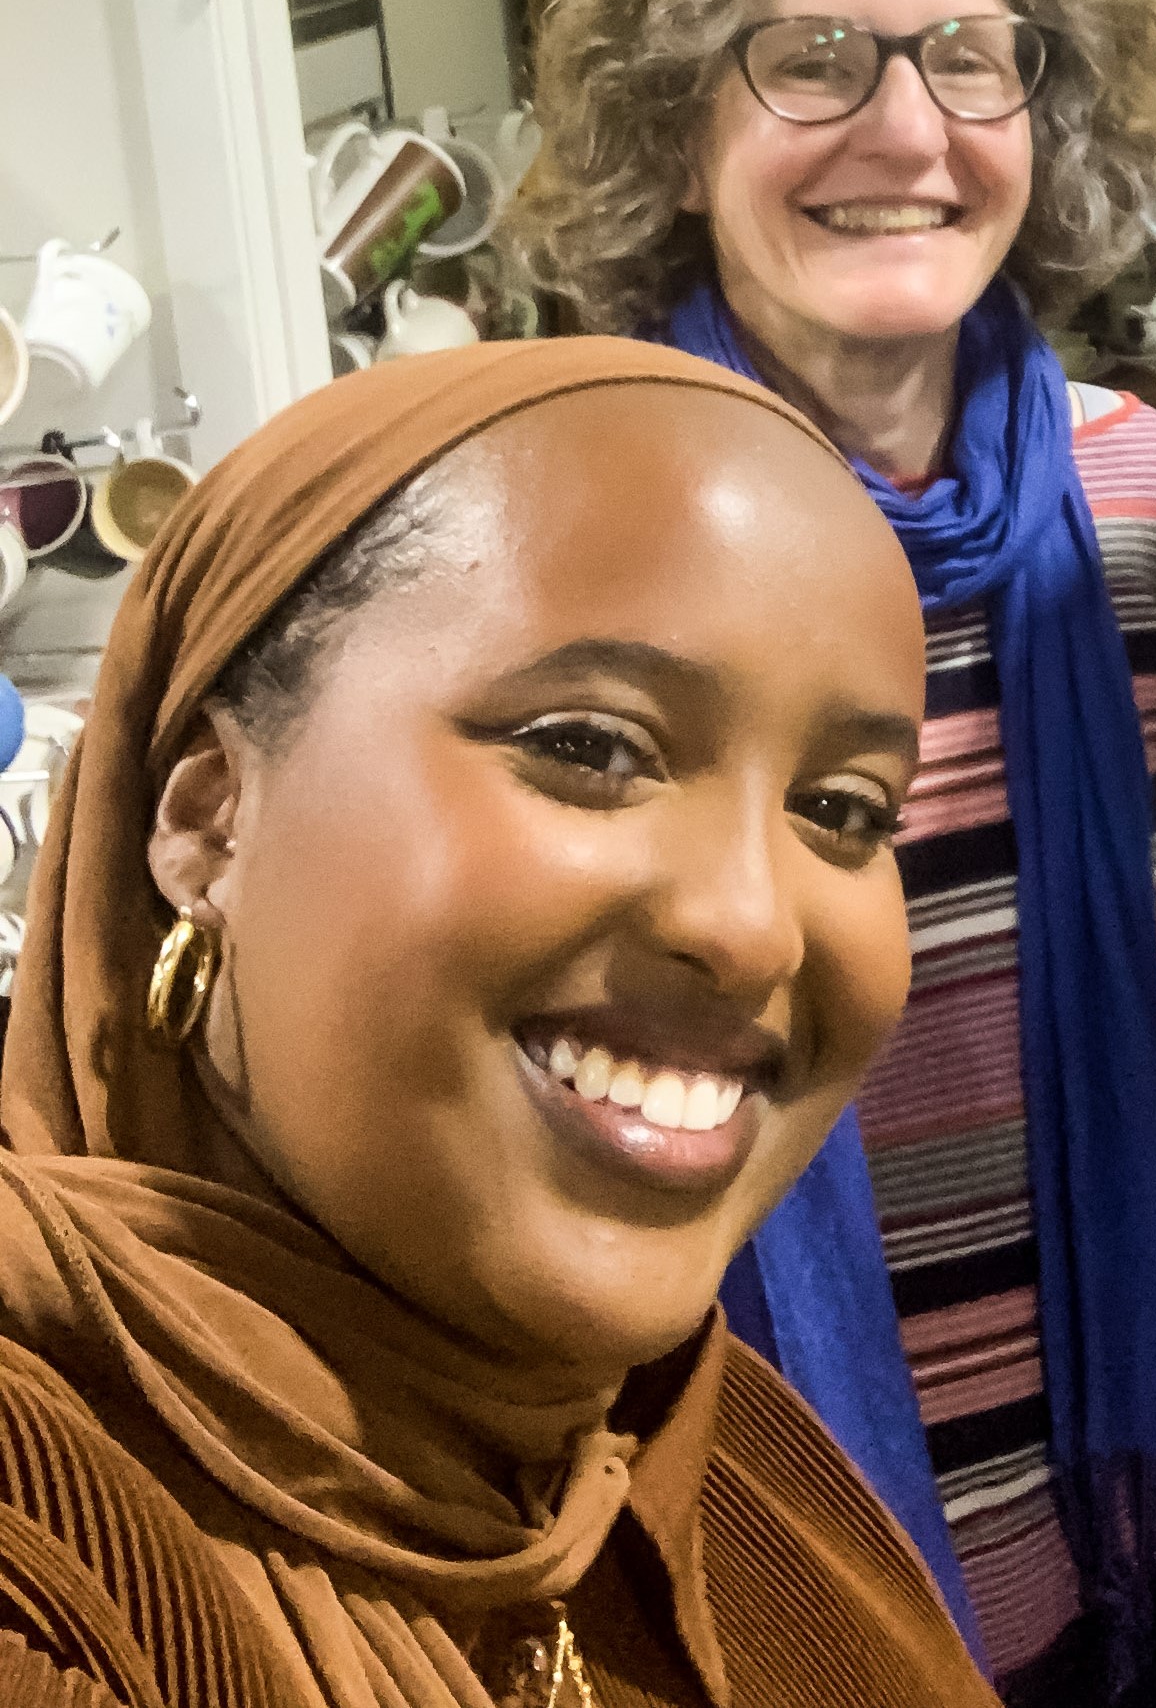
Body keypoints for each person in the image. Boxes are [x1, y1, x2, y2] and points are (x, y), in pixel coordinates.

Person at [513, 0, 1156, 1708]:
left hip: (1101, 1575)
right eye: (809, 61)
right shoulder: (551, 530)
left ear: (1037, 118)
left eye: (965, 61)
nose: (901, 131)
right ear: (680, 127)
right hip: (708, 1589)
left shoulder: (1136, 508)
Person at [0, 338, 995, 1707]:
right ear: (208, 817)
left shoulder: (699, 1459)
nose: (756, 926)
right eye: (590, 746)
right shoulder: (49, 1549)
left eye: (842, 811)